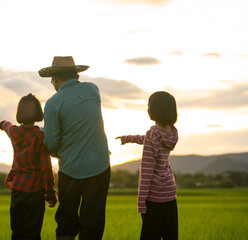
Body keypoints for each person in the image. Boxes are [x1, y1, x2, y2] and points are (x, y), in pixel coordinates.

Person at [38, 56, 111, 240]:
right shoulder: (93, 90)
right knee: (93, 220)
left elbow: (52, 143)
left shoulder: (53, 103)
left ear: (54, 79)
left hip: (70, 169)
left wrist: (56, 151)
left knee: (66, 221)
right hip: (99, 166)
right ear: (77, 75)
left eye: (52, 80)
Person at [116, 91, 179, 240]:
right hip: (169, 192)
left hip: (154, 197)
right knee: (170, 235)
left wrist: (141, 202)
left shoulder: (153, 134)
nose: (147, 108)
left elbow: (146, 172)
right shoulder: (171, 132)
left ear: (156, 109)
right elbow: (151, 139)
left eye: (149, 105)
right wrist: (129, 138)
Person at [0, 93, 57, 240]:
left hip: (17, 189)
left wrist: (2, 123)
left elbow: (7, 126)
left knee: (17, 232)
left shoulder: (14, 132)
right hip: (35, 191)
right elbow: (46, 168)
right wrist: (50, 192)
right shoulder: (40, 136)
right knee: (33, 233)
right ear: (38, 112)